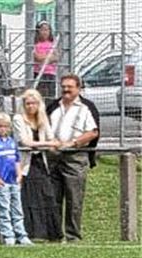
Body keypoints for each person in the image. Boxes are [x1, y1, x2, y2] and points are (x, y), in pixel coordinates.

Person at [45, 74, 98, 242]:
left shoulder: (86, 107)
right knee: (53, 198)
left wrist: (73, 143)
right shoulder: (53, 106)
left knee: (74, 200)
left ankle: (72, 236)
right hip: (54, 158)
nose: (66, 90)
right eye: (63, 86)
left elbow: (93, 132)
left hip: (75, 158)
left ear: (78, 88)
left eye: (70, 87)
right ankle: (54, 235)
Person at [12, 89, 59, 241]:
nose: (31, 106)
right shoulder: (18, 119)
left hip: (40, 161)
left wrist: (55, 144)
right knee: (28, 197)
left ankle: (50, 233)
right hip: (25, 162)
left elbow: (52, 137)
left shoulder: (43, 119)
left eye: (34, 103)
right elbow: (25, 142)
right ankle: (29, 232)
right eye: (28, 103)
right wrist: (47, 143)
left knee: (47, 195)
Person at [0, 112, 31, 246]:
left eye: (5, 126)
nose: (3, 129)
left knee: (17, 209)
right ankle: (8, 236)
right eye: (0, 126)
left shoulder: (11, 142)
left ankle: (21, 235)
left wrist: (19, 174)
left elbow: (16, 159)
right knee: (3, 210)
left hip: (13, 182)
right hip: (1, 182)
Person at [32, 21, 59, 101]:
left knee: (50, 96)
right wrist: (49, 57)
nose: (45, 32)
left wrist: (45, 58)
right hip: (38, 73)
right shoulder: (35, 44)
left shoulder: (52, 44)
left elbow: (56, 57)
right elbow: (37, 57)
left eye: (47, 30)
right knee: (39, 95)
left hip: (50, 73)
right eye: (42, 30)